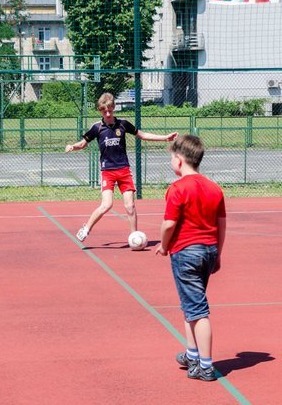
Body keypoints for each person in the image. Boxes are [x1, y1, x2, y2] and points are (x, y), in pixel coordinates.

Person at [155, 134, 226, 382]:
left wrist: (164, 246)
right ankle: (192, 354)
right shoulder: (214, 188)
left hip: (186, 253)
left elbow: (168, 224)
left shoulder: (177, 189)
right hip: (208, 251)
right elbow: (221, 225)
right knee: (190, 305)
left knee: (198, 310)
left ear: (179, 160)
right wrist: (218, 254)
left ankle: (206, 366)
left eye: (171, 158)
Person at [65, 92, 178, 242]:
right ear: (100, 110)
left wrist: (165, 138)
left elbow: (142, 135)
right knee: (107, 205)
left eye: (110, 110)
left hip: (124, 170)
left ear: (114, 108)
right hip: (107, 172)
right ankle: (86, 229)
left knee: (130, 206)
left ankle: (134, 237)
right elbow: (83, 144)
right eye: (104, 111)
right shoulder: (97, 128)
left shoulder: (123, 124)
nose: (108, 113)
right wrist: (73, 146)